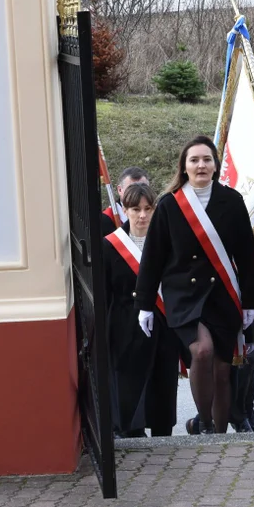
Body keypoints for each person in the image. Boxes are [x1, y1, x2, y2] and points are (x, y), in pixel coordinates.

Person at [135, 136, 254, 434]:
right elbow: (153, 257)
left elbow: (246, 254)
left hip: (222, 294)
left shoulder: (231, 201)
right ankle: (203, 423)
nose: (201, 165)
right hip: (185, 295)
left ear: (216, 166)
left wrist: (252, 301)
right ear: (184, 167)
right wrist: (144, 304)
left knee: (221, 369)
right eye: (194, 160)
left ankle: (218, 434)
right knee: (201, 351)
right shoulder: (169, 205)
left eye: (206, 159)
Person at [102, 182, 180, 438]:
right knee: (130, 386)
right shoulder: (110, 245)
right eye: (136, 209)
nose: (143, 215)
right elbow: (105, 292)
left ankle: (162, 435)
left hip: (162, 323)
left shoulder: (167, 242)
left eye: (148, 208)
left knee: (163, 383)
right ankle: (131, 434)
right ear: (125, 210)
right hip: (125, 326)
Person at [102, 166, 150, 235]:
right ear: (120, 190)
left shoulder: (157, 215)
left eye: (144, 188)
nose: (138, 193)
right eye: (131, 189)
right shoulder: (105, 220)